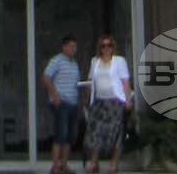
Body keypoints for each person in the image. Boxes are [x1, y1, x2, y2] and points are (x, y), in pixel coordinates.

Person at [82, 33, 133, 174]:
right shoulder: (95, 61)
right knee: (95, 132)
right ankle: (94, 163)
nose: (106, 48)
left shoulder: (119, 61)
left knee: (115, 133)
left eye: (109, 45)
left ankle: (113, 163)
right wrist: (87, 98)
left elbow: (125, 81)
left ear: (113, 47)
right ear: (100, 48)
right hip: (99, 101)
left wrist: (128, 100)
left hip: (115, 101)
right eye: (103, 46)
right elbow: (90, 81)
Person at [41, 33, 82, 174]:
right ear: (64, 47)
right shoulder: (56, 61)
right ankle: (55, 166)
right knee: (61, 134)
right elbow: (46, 77)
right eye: (71, 46)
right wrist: (55, 95)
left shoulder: (74, 64)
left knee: (69, 136)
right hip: (61, 102)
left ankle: (64, 165)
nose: (73, 49)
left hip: (73, 103)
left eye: (75, 46)